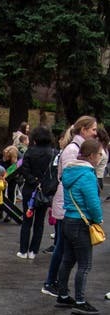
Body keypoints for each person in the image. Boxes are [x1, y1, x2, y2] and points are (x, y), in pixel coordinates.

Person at [42, 115, 98, 296]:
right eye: (93, 130)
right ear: (83, 130)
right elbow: (68, 179)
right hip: (69, 206)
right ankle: (52, 283)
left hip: (68, 205)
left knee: (64, 248)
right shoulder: (74, 151)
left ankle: (57, 285)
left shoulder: (75, 149)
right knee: (62, 248)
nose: (95, 133)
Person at [55, 138, 103, 315]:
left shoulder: (71, 171)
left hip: (68, 219)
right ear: (91, 156)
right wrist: (98, 219)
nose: (100, 157)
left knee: (67, 260)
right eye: (99, 154)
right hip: (81, 223)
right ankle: (81, 301)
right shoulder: (87, 174)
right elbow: (93, 203)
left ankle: (63, 294)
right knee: (85, 264)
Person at [15, 124, 56, 259]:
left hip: (30, 190)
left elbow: (24, 170)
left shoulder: (30, 151)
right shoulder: (53, 153)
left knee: (27, 220)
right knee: (39, 222)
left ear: (35, 138)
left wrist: (33, 181)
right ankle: (33, 251)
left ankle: (23, 250)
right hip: (45, 191)